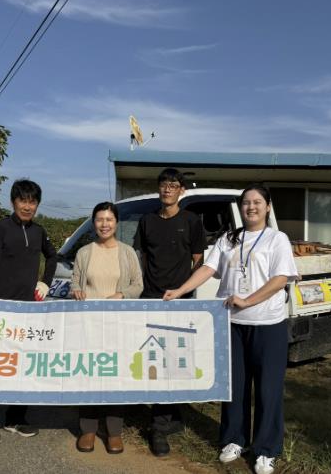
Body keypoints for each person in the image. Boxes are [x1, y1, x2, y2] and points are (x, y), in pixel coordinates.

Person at [164, 184, 298, 474]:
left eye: (257, 202)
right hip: (232, 323)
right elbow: (208, 269)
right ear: (240, 207)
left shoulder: (277, 239)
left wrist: (248, 300)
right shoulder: (229, 238)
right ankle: (234, 440)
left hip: (267, 324)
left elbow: (280, 279)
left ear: (267, 207)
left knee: (268, 389)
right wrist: (180, 290)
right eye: (246, 202)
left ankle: (266, 449)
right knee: (234, 386)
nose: (251, 207)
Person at [0, 179, 58, 445]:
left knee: (23, 365)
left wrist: (45, 282)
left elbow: (53, 256)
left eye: (33, 202)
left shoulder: (39, 231)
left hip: (28, 311)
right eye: (23, 201)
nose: (28, 206)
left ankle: (15, 418)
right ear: (13, 202)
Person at [132, 167, 207, 457]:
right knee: (154, 359)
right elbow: (143, 256)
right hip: (150, 298)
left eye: (173, 185)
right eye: (164, 184)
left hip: (179, 300)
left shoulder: (191, 221)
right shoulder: (147, 220)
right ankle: (164, 418)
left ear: (181, 191)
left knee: (175, 360)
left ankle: (160, 424)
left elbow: (198, 259)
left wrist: (182, 289)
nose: (167, 189)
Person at [71, 201, 143, 454]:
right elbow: (75, 283)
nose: (104, 224)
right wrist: (76, 291)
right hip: (89, 325)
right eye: (100, 219)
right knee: (89, 375)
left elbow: (138, 285)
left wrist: (122, 295)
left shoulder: (127, 252)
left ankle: (114, 431)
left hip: (117, 324)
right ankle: (88, 429)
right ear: (94, 223)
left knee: (115, 376)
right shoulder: (84, 253)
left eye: (109, 219)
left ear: (116, 223)